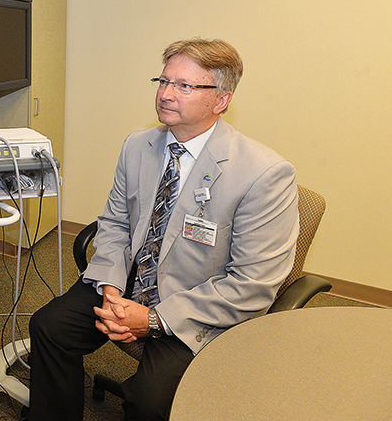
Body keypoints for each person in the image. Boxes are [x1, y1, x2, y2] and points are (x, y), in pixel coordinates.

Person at [27, 38, 299, 421]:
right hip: (129, 283)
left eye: (184, 86)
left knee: (149, 403)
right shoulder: (138, 146)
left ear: (221, 100)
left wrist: (152, 319)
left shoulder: (263, 173)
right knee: (49, 328)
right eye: (163, 81)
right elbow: (116, 224)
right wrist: (111, 291)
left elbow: (252, 283)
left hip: (196, 302)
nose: (166, 94)